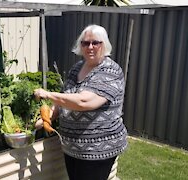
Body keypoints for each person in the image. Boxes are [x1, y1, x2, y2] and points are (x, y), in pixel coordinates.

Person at [34, 24, 127, 180]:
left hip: (97, 149)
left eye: (95, 43)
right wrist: (49, 116)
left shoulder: (110, 71)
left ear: (104, 45)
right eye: (85, 43)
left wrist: (48, 94)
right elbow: (64, 97)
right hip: (72, 147)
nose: (90, 47)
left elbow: (84, 101)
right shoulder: (77, 68)